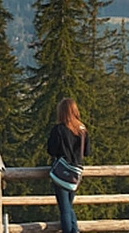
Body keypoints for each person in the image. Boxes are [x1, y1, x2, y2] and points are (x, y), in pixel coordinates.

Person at [46, 97, 91, 233]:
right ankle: (74, 230)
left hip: (62, 171)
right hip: (76, 172)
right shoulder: (82, 129)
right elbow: (87, 152)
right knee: (68, 206)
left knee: (64, 209)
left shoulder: (59, 129)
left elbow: (51, 150)